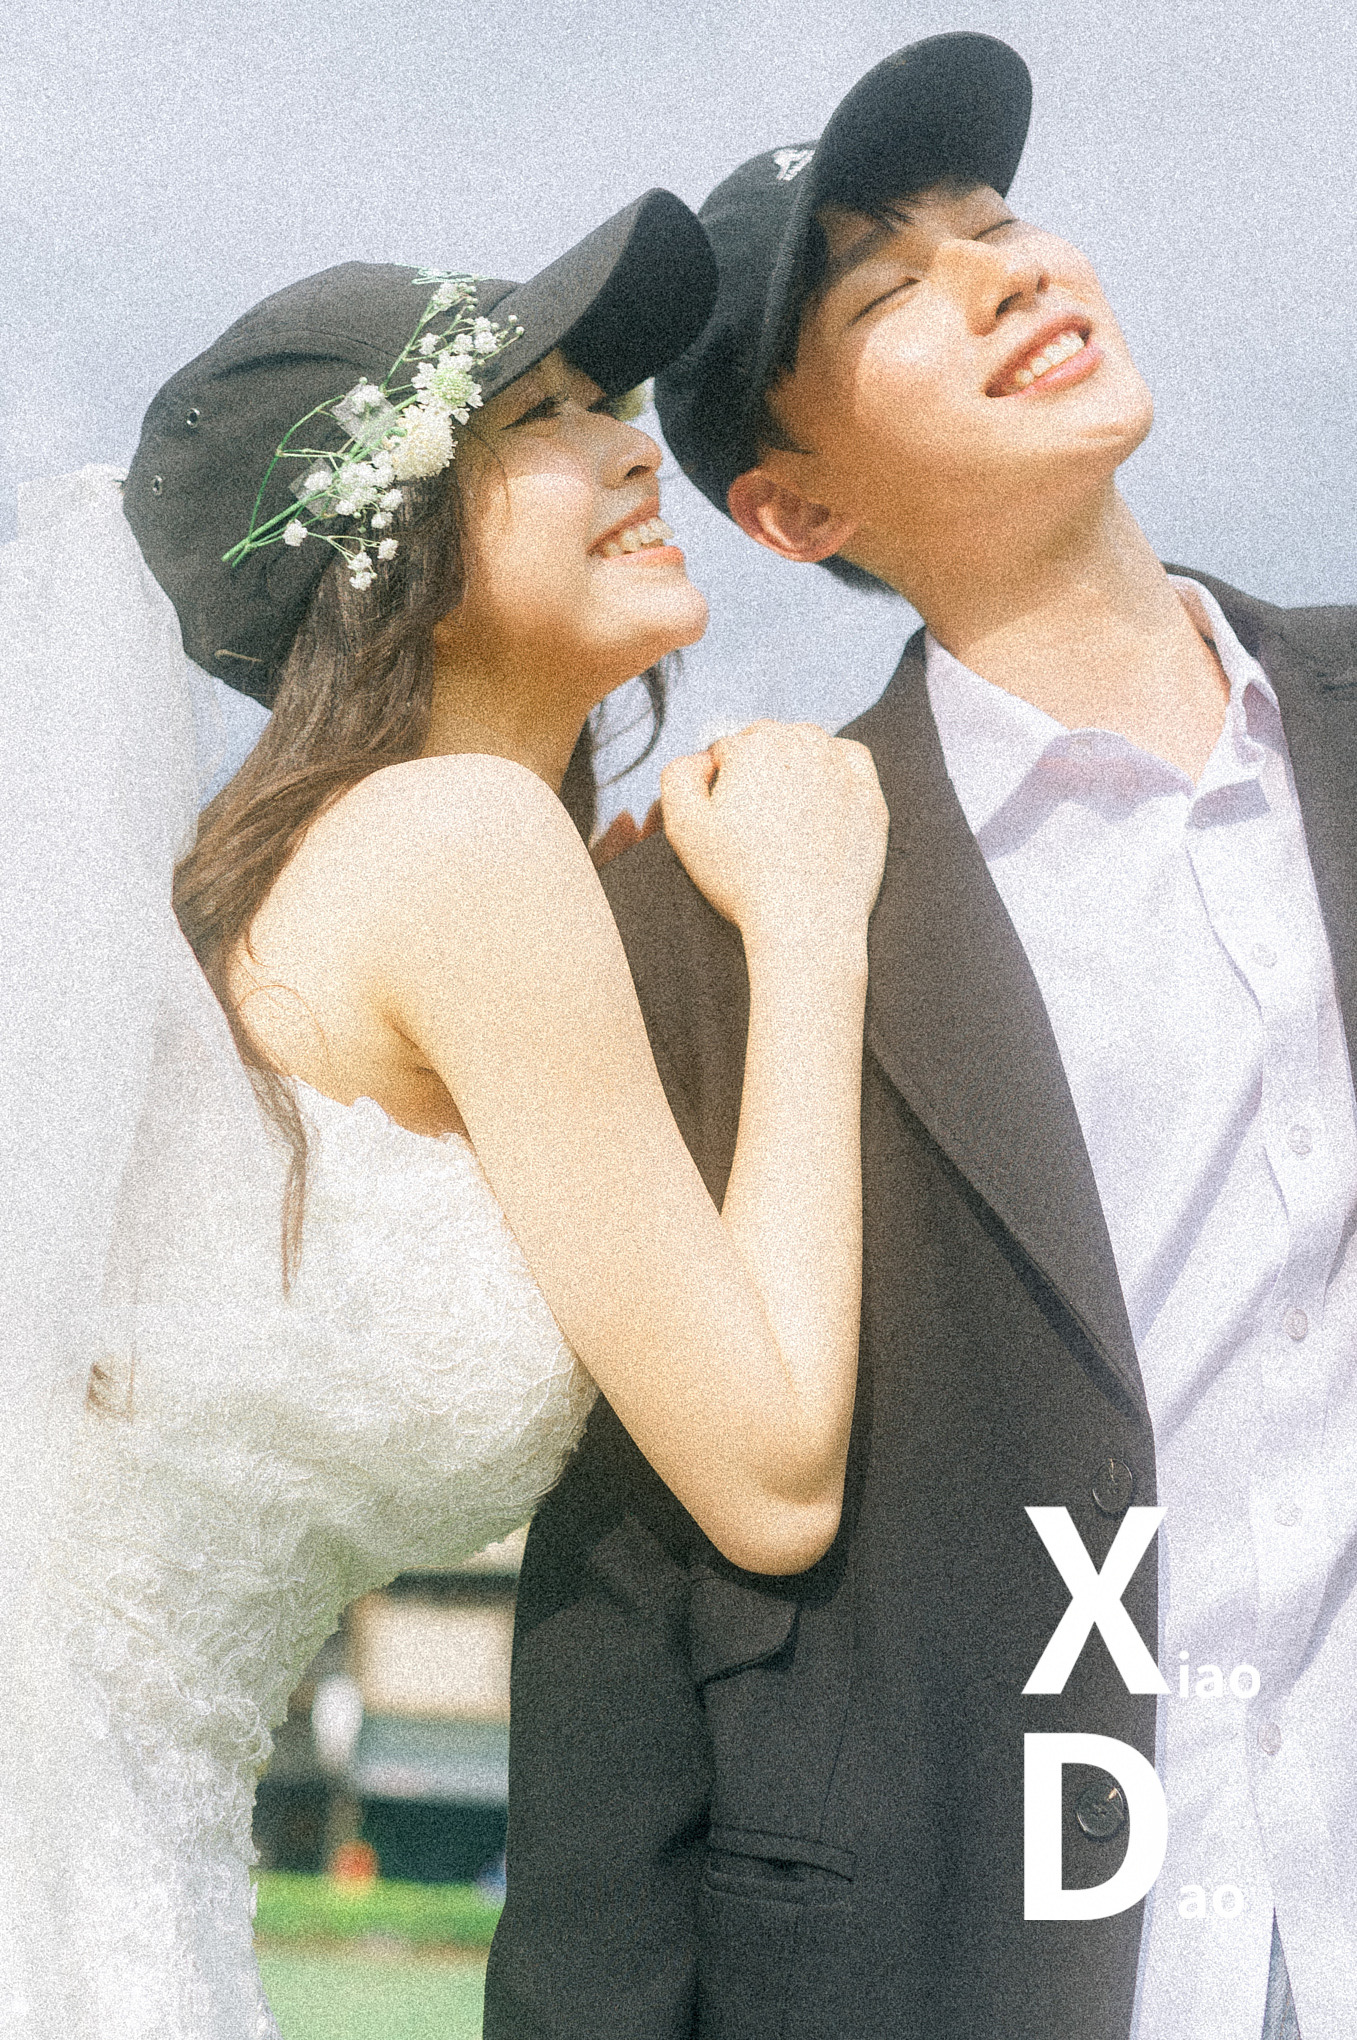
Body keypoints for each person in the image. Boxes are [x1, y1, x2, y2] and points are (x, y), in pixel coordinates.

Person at [484, 34, 1357, 2040]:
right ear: (793, 509)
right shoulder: (718, 919)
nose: (1002, 272)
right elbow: (627, 1590)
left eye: (1000, 222)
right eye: (890, 289)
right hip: (988, 1957)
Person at [0, 189, 890, 2037]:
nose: (630, 444)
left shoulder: (325, 881)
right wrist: (813, 929)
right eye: (541, 415)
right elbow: (772, 1475)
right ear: (389, 545)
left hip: (120, 1854)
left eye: (609, 400)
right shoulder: (457, 841)